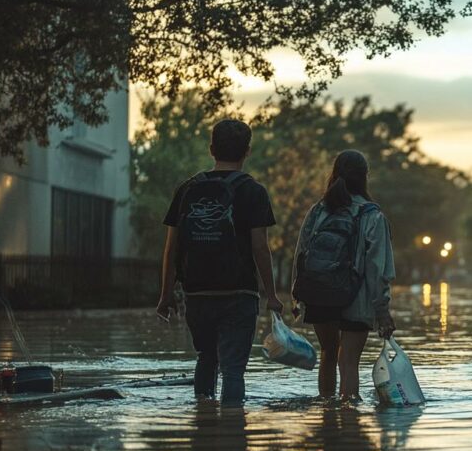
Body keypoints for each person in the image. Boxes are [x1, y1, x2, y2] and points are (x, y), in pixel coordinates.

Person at [156, 119, 284, 405]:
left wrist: (165, 295)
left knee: (206, 358)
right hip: (239, 293)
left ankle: (203, 428)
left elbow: (170, 249)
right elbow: (260, 249)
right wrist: (272, 296)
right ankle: (231, 435)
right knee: (234, 370)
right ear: (247, 151)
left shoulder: (187, 189)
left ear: (211, 148)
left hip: (197, 291)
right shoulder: (254, 192)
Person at [292, 150, 396, 400]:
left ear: (334, 174)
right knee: (348, 361)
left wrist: (298, 296)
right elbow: (377, 269)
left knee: (328, 353)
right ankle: (349, 425)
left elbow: (301, 254)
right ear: (364, 177)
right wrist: (382, 311)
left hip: (319, 293)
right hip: (355, 299)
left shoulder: (319, 210)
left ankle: (327, 416)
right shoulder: (372, 215)